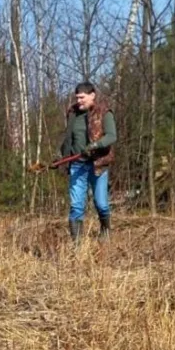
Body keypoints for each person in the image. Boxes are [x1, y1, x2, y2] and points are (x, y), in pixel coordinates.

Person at [59, 82, 117, 242]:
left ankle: (105, 230)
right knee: (76, 205)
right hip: (77, 165)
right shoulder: (72, 113)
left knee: (101, 204)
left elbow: (112, 136)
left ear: (92, 95)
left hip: (98, 164)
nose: (79, 101)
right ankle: (76, 246)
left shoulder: (104, 113)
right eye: (77, 97)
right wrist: (63, 157)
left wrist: (95, 145)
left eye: (82, 97)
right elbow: (68, 138)